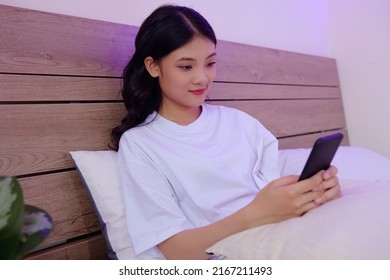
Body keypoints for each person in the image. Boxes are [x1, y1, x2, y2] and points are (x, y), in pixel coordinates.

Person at [111, 4, 340, 260]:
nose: (202, 78)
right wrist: (256, 214)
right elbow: (177, 252)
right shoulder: (141, 144)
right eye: (186, 67)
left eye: (210, 63)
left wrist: (314, 193)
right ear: (153, 67)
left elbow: (275, 199)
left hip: (282, 237)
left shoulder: (241, 123)